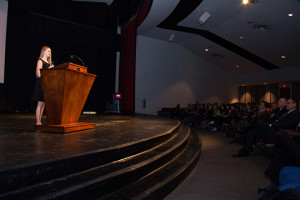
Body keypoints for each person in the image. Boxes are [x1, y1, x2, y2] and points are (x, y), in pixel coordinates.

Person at [32, 46, 54, 127]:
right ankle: (38, 121)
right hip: (40, 84)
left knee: (43, 104)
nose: (50, 53)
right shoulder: (40, 61)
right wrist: (48, 69)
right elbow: (38, 74)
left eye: (50, 51)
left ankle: (39, 120)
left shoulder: (48, 63)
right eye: (48, 51)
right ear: (44, 51)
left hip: (46, 84)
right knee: (40, 103)